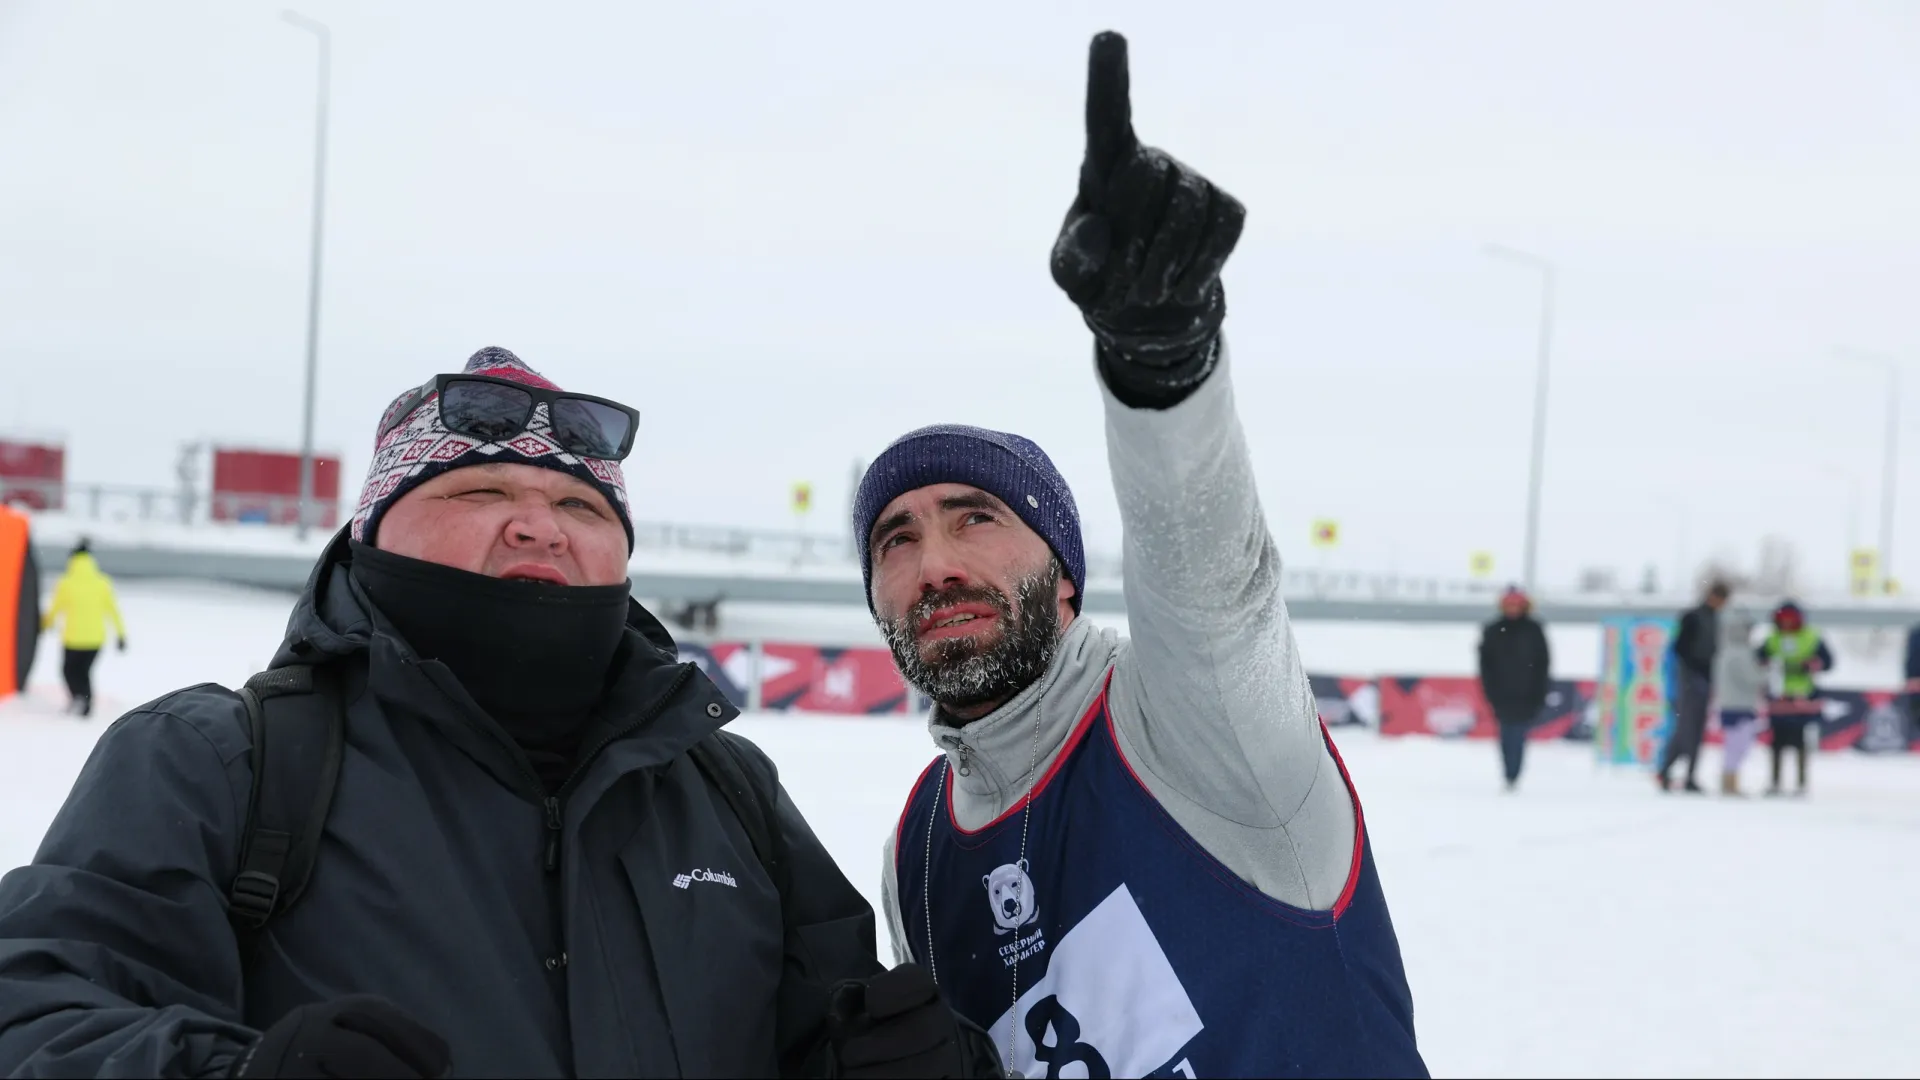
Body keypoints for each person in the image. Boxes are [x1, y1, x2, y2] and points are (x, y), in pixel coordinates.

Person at [0, 348, 996, 1079]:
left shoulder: (724, 789)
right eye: (480, 489)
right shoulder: (216, 763)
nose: (536, 524)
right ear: (375, 532)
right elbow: (34, 1013)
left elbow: (821, 1029)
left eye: (583, 509)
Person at [860, 33, 1425, 1079]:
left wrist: (1160, 365)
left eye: (975, 517)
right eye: (896, 539)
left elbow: (1213, 582)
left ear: (1066, 575)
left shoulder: (1192, 724)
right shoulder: (919, 852)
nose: (935, 560)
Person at [39, 537, 126, 717]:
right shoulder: (102, 582)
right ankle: (84, 702)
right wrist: (121, 634)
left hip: (73, 638)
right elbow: (113, 610)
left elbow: (55, 608)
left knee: (69, 671)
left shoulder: (66, 582)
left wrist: (44, 625)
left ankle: (78, 699)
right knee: (85, 672)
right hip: (95, 639)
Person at [1657, 579, 1731, 793]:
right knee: (1684, 729)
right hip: (1689, 680)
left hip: (1705, 679)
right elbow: (1680, 648)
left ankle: (1690, 775)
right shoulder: (1692, 617)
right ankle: (1665, 770)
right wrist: (1691, 673)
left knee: (1697, 731)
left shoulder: (1716, 619)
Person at [1477, 585, 1552, 791]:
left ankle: (1514, 773)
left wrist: (1540, 691)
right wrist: (1490, 690)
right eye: (1509, 604)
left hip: (1528, 693)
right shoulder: (1493, 629)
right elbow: (1485, 663)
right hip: (1500, 692)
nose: (1513, 608)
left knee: (1519, 734)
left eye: (1517, 604)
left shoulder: (1533, 629)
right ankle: (1508, 772)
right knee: (1505, 734)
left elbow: (1543, 663)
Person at [1759, 600, 1832, 798]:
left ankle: (1801, 783)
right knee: (1776, 742)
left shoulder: (1811, 637)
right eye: (1784, 620)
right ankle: (1774, 782)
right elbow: (1758, 658)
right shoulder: (1772, 638)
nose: (1787, 624)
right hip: (1778, 697)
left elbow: (1829, 662)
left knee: (1800, 741)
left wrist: (1811, 664)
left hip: (1803, 697)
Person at [1712, 609, 1766, 797]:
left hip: (1731, 705)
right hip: (1739, 706)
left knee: (1734, 746)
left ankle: (1730, 781)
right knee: (1738, 746)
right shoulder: (1739, 653)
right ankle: (1729, 782)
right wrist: (1767, 673)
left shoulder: (1725, 649)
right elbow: (1751, 678)